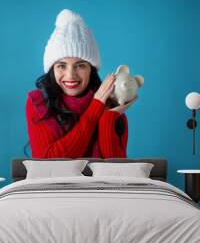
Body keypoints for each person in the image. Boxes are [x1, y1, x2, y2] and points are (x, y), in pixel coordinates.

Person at [26, 9, 135, 158]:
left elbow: (117, 172)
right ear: (52, 69)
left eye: (80, 65)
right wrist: (96, 106)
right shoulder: (38, 102)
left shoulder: (110, 101)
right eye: (62, 65)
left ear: (91, 69)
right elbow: (49, 162)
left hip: (101, 182)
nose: (70, 75)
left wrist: (108, 116)